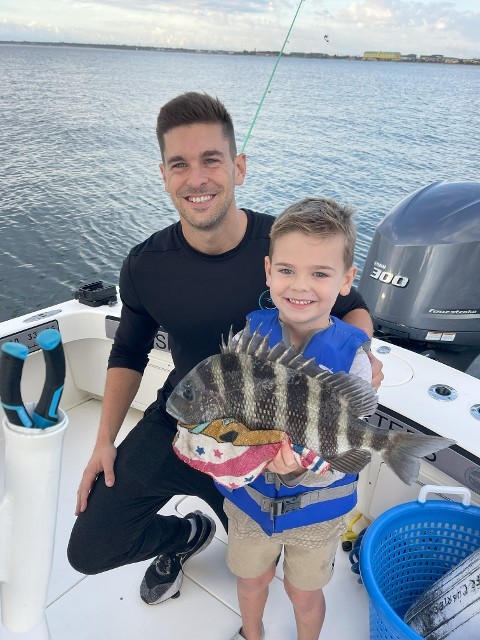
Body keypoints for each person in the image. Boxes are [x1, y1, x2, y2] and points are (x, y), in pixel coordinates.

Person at [67, 92, 383, 608]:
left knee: (272, 563)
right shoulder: (145, 263)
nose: (197, 179)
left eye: (211, 160)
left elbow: (353, 308)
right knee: (92, 547)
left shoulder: (286, 246)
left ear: (238, 166)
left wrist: (364, 357)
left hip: (265, 430)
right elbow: (128, 352)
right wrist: (104, 440)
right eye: (180, 164)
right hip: (184, 418)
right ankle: (184, 537)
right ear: (165, 174)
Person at [220, 197, 372, 640]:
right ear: (268, 271)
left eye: (320, 274)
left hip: (315, 514)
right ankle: (252, 634)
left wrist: (300, 470)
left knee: (303, 593)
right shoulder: (250, 337)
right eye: (286, 270)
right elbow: (234, 412)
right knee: (250, 581)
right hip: (250, 506)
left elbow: (351, 434)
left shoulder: (354, 358)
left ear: (346, 281)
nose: (300, 285)